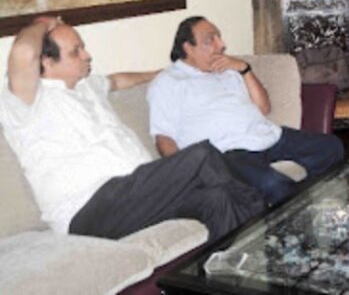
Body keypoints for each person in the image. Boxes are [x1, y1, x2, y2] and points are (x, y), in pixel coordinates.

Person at [0, 17, 267, 242]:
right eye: (75, 51)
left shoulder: (86, 85)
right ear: (46, 62)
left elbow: (117, 80)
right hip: (88, 212)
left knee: (217, 198)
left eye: (83, 47)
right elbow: (24, 51)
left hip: (137, 196)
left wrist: (160, 73)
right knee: (201, 156)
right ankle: (268, 220)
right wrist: (41, 23)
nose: (87, 55)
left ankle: (225, 279)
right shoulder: (27, 102)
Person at [147, 16, 344, 206]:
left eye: (219, 37)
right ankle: (294, 216)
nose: (221, 44)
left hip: (267, 135)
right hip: (229, 152)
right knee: (273, 184)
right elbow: (163, 136)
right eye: (211, 40)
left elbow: (263, 107)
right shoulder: (168, 82)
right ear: (188, 48)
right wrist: (185, 172)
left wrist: (244, 69)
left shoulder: (228, 69)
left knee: (332, 147)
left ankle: (307, 202)